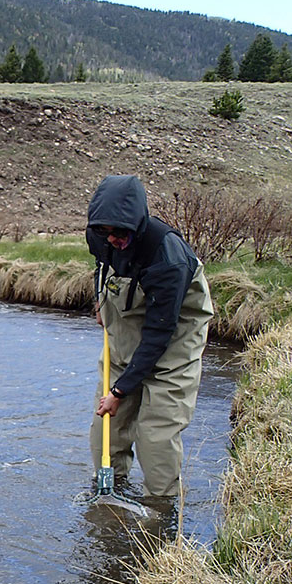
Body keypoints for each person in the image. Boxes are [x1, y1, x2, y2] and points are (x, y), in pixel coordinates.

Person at [86, 174, 214, 497]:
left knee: (154, 435)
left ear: (137, 225)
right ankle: (108, 497)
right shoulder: (100, 234)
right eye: (106, 233)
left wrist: (120, 389)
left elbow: (159, 335)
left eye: (121, 235)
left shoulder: (168, 258)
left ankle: (162, 513)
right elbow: (101, 265)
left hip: (174, 337)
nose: (112, 240)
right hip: (126, 330)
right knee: (107, 428)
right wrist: (100, 302)